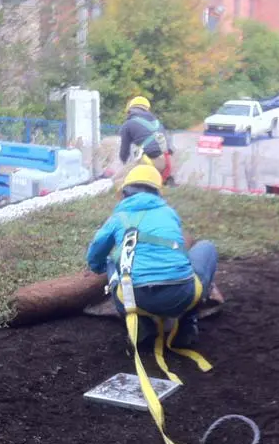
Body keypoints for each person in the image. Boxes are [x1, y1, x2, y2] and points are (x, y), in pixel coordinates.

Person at [86, 164, 217, 349]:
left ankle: (141, 326)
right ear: (157, 192)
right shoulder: (170, 213)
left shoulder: (118, 218)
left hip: (136, 299)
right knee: (207, 247)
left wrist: (98, 267)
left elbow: (96, 252)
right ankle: (188, 324)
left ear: (124, 192)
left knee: (111, 262)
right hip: (181, 295)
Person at [118, 96, 170, 175]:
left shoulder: (128, 124)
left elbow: (124, 152)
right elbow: (169, 148)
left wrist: (124, 164)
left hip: (147, 163)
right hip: (164, 163)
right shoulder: (158, 123)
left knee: (121, 179)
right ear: (147, 110)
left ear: (130, 110)